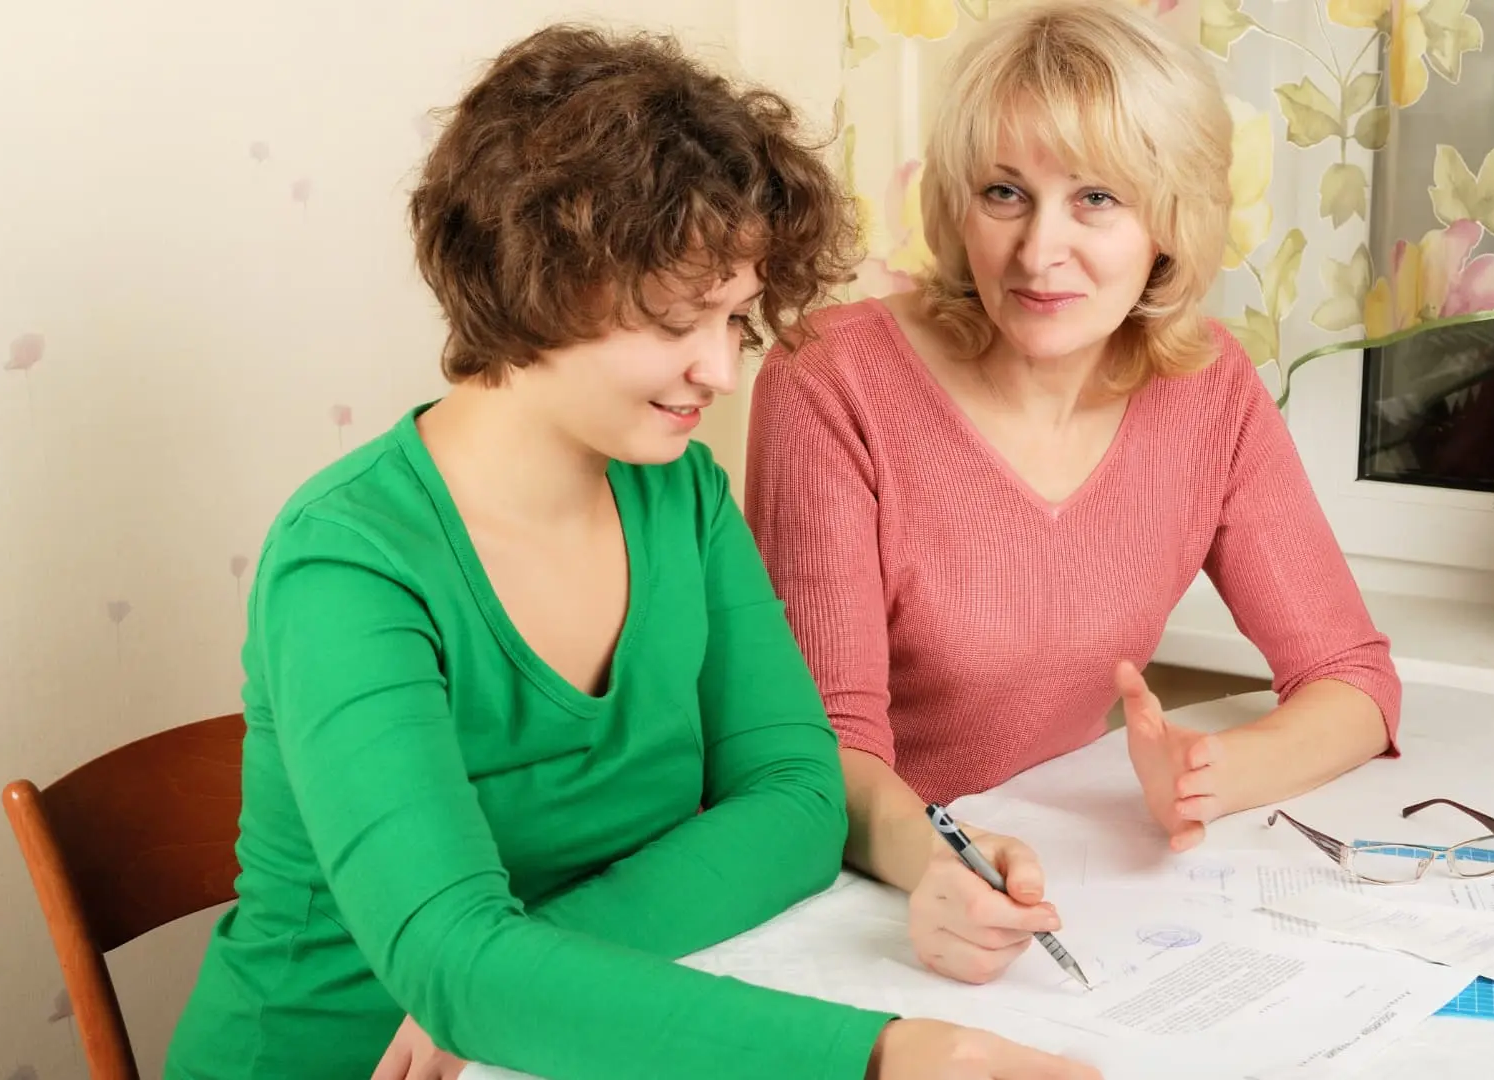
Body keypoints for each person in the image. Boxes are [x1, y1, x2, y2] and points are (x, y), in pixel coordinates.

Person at [163, 24, 1097, 1080]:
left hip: (562, 1048)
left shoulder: (681, 495)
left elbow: (796, 801)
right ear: (534, 282)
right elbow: (454, 963)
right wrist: (884, 1058)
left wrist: (514, 979)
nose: (722, 372)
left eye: (739, 319)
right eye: (677, 323)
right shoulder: (348, 564)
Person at [743, 0, 1401, 990]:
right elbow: (821, 753)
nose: (1040, 250)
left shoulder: (1209, 386)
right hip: (856, 899)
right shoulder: (829, 381)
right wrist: (945, 863)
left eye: (1096, 198)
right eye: (1004, 192)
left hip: (1059, 884)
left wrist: (1206, 775)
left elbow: (1353, 677)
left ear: (1170, 221)